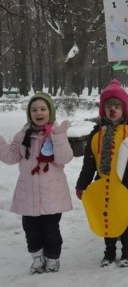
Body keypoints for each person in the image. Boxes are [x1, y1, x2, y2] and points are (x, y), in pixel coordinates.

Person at [75, 80, 128, 268]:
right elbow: (89, 163)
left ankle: (127, 251)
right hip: (104, 186)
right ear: (103, 109)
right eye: (109, 106)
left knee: (125, 219)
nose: (113, 110)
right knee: (107, 219)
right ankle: (109, 252)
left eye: (117, 106)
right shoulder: (96, 136)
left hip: (126, 185)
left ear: (124, 109)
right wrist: (82, 184)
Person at [0, 92, 73, 274]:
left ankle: (53, 258)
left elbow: (64, 159)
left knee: (50, 230)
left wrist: (58, 137)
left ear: (50, 111)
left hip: (52, 194)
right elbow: (11, 157)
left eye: (42, 109)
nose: (38, 112)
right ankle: (37, 258)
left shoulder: (56, 134)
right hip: (28, 194)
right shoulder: (22, 136)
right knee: (31, 230)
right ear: (29, 113)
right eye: (34, 109)